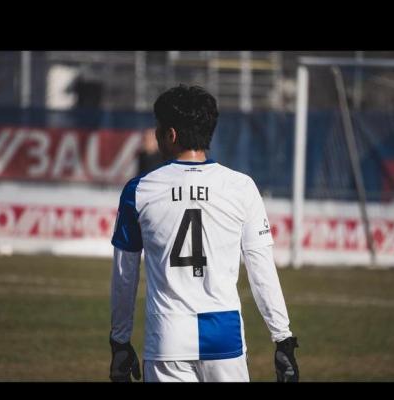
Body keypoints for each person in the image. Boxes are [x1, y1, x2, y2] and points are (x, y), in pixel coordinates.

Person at [108, 84, 298, 382]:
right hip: (225, 335)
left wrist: (120, 341)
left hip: (167, 335)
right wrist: (282, 337)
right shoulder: (242, 187)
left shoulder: (139, 190)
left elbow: (124, 274)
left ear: (170, 134)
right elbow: (261, 269)